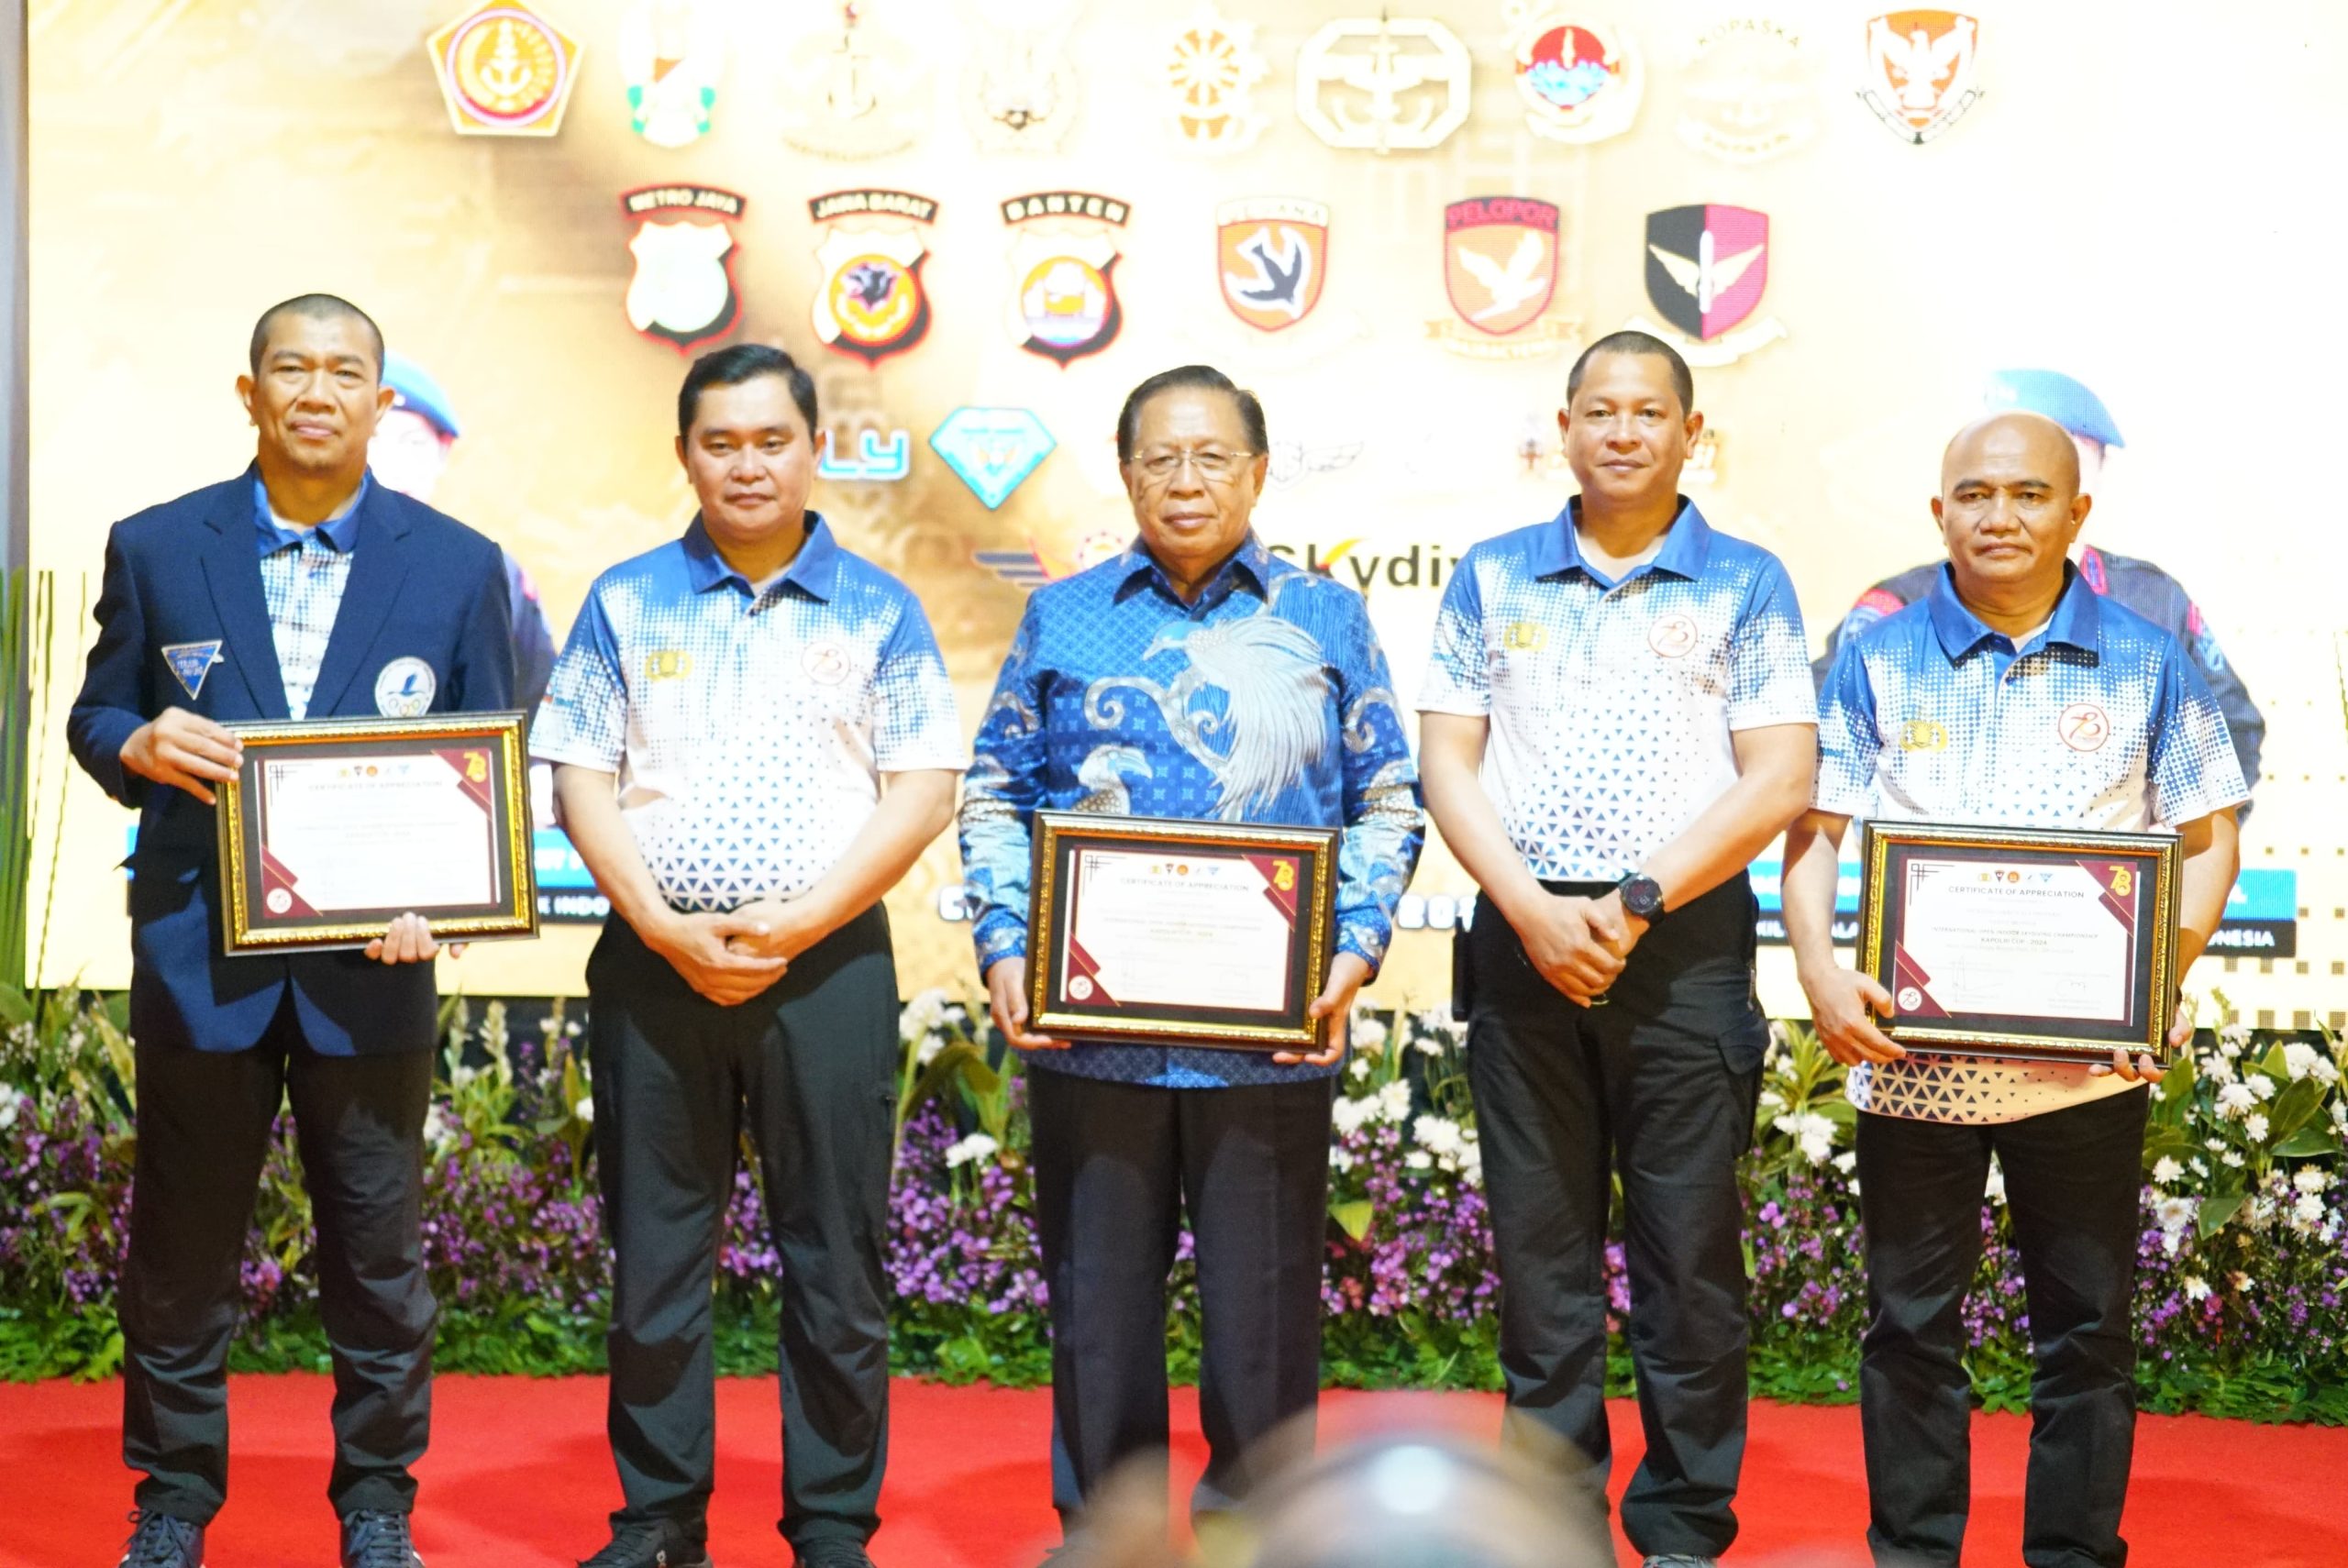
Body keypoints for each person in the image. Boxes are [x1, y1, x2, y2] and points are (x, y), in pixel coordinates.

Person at [67, 293, 516, 1568]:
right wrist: (139, 743)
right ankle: (170, 1505)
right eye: (292, 369)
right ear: (249, 391)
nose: (318, 391)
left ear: (385, 402)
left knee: (378, 1256)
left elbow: (487, 760)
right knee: (178, 1254)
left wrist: (451, 901)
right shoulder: (158, 546)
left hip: (372, 972)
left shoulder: (456, 563)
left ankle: (377, 1504)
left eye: (346, 372)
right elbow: (98, 718)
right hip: (200, 958)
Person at [958, 364, 1423, 1551]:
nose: (1186, 479)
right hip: (1094, 1040)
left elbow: (1386, 796)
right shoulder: (1064, 615)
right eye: (1161, 457)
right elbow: (998, 789)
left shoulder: (1323, 615)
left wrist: (1355, 949)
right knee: (1098, 1319)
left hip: (1267, 1048)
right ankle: (1104, 1534)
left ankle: (1255, 1535)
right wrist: (1009, 941)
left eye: (1212, 456)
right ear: (1125, 474)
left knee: (1262, 1323)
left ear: (1259, 472)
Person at [1784, 411, 2244, 1567]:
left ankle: (2074, 1556)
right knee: (1906, 1332)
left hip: (2084, 1069)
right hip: (1912, 1061)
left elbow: (2209, 837)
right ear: (1937, 510)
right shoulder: (1874, 655)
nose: (2000, 516)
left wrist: (2157, 982)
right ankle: (1913, 1552)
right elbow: (1814, 831)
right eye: (1975, 495)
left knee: (2086, 1336)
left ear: (2076, 516)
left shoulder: (2147, 658)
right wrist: (1818, 972)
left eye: (2029, 495)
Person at [533, 344, 965, 1568]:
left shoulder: (880, 606)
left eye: (771, 440)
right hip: (650, 963)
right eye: (720, 442)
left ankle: (831, 1524)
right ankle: (659, 1518)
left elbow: (923, 788)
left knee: (836, 1258)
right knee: (656, 1255)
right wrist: (663, 926)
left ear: (813, 448)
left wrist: (802, 918)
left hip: (825, 967)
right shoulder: (625, 598)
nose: (747, 463)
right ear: (685, 455)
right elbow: (579, 778)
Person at [1416, 330, 1818, 1568]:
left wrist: (1635, 898)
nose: (1626, 431)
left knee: (1688, 1259)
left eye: (1651, 411)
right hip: (1521, 936)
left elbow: (1784, 773)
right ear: (1565, 427)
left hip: (1683, 939)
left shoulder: (1747, 581)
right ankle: (1548, 1520)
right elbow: (1447, 758)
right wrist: (1533, 908)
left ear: (1692, 433)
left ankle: (1685, 1524)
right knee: (1541, 1264)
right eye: (1602, 409)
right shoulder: (1490, 575)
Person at [1813, 368, 2263, 795]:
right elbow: (1822, 741)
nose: (2005, 511)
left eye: (2039, 476)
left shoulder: (2151, 600)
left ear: (2093, 477)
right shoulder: (1897, 609)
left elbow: (2232, 728)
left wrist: (2165, 849)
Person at [368, 350, 560, 713]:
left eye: (412, 443)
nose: (391, 464)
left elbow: (542, 697)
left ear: (442, 453)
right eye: (373, 441)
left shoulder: (489, 568)